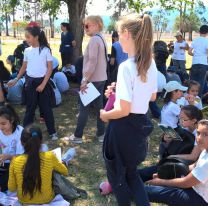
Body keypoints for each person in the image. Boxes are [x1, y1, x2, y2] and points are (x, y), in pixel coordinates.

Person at [100, 14, 157, 206]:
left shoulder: (126, 67)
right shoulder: (150, 64)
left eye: (117, 33)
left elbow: (123, 110)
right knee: (132, 175)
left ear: (125, 33)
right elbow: (152, 96)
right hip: (140, 126)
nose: (116, 38)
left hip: (122, 129)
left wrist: (105, 114)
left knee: (117, 179)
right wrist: (120, 91)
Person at [8, 26, 58, 140]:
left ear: (36, 37)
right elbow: (24, 67)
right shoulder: (27, 50)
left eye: (28, 37)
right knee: (30, 108)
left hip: (43, 83)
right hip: (30, 83)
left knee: (46, 109)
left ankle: (52, 132)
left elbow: (49, 69)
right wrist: (16, 79)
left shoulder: (45, 50)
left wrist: (43, 84)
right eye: (26, 37)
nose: (26, 40)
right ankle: (25, 132)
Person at [145, 119, 208, 206]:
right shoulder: (205, 151)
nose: (199, 138)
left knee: (147, 191)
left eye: (205, 134)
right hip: (195, 190)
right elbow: (193, 167)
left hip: (200, 199)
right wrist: (165, 174)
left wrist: (160, 181)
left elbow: (185, 182)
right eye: (198, 133)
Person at [68, 15, 107, 144]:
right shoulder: (101, 38)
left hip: (92, 79)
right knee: (99, 107)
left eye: (87, 25)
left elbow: (92, 62)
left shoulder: (94, 40)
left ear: (96, 25)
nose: (85, 28)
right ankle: (101, 134)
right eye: (84, 25)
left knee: (83, 109)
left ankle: (78, 136)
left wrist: (84, 80)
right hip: (100, 78)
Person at [138, 105, 203, 183]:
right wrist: (167, 140)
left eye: (184, 119)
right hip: (175, 161)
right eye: (179, 118)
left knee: (142, 174)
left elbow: (193, 157)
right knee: (143, 173)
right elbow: (179, 145)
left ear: (194, 120)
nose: (180, 121)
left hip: (186, 166)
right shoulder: (186, 128)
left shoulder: (200, 134)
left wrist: (172, 156)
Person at [8, 125, 69, 205]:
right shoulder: (50, 156)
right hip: (47, 199)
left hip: (24, 201)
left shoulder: (15, 161)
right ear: (41, 141)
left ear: (21, 142)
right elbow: (65, 171)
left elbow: (11, 188)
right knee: (70, 153)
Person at [0, 104, 24, 192]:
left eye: (3, 123)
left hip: (14, 165)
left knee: (5, 185)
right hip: (2, 165)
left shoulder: (20, 132)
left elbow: (22, 157)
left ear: (12, 120)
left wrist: (8, 157)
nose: (0, 127)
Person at [189, 25, 208, 96]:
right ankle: (198, 100)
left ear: (199, 32)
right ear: (207, 33)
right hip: (203, 64)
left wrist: (196, 55)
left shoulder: (195, 40)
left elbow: (189, 52)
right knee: (201, 83)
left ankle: (190, 98)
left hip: (195, 63)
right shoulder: (206, 41)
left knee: (192, 83)